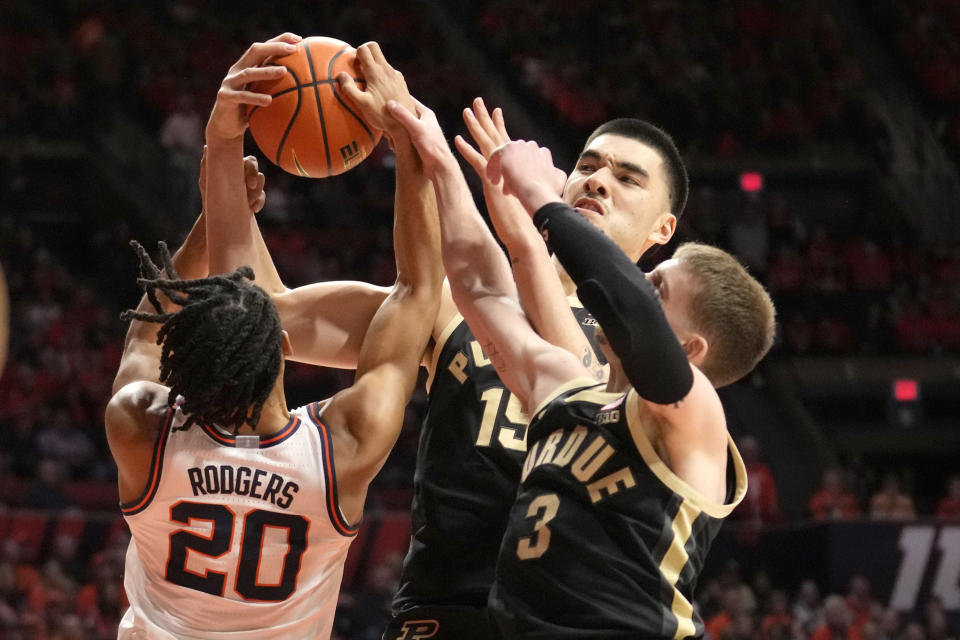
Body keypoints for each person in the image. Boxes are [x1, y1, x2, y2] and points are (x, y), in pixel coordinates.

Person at [249, 97, 688, 637]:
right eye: (588, 167)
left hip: (564, 621)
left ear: (663, 229)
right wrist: (223, 169)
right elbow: (262, 320)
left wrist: (500, 207)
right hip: (441, 614)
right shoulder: (453, 301)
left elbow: (581, 390)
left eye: (627, 178)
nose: (598, 182)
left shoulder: (654, 354)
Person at [387, 101, 776, 637]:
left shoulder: (695, 420)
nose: (637, 287)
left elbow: (629, 310)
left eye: (655, 288)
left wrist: (544, 201)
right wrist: (436, 156)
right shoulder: (568, 391)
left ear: (687, 350)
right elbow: (480, 284)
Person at [105, 32, 442, 639]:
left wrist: (221, 159)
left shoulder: (141, 428)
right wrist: (403, 132)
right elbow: (419, 294)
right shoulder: (337, 450)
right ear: (281, 347)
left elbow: (142, 337)